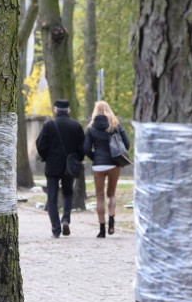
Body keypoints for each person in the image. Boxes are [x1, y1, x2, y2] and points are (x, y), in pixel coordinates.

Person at [35, 99, 85, 238]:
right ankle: (66, 219)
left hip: (52, 166)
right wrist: (77, 159)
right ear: (68, 111)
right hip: (69, 167)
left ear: (55, 110)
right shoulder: (76, 126)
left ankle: (56, 229)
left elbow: (40, 145)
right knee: (68, 193)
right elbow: (83, 147)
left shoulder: (49, 125)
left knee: (52, 197)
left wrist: (46, 157)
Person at [83, 100, 130, 238]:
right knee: (111, 194)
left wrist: (95, 157)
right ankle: (111, 221)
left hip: (98, 164)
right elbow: (126, 144)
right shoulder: (115, 125)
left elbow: (86, 148)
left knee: (99, 196)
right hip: (114, 164)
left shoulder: (91, 128)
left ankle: (102, 229)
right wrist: (116, 156)